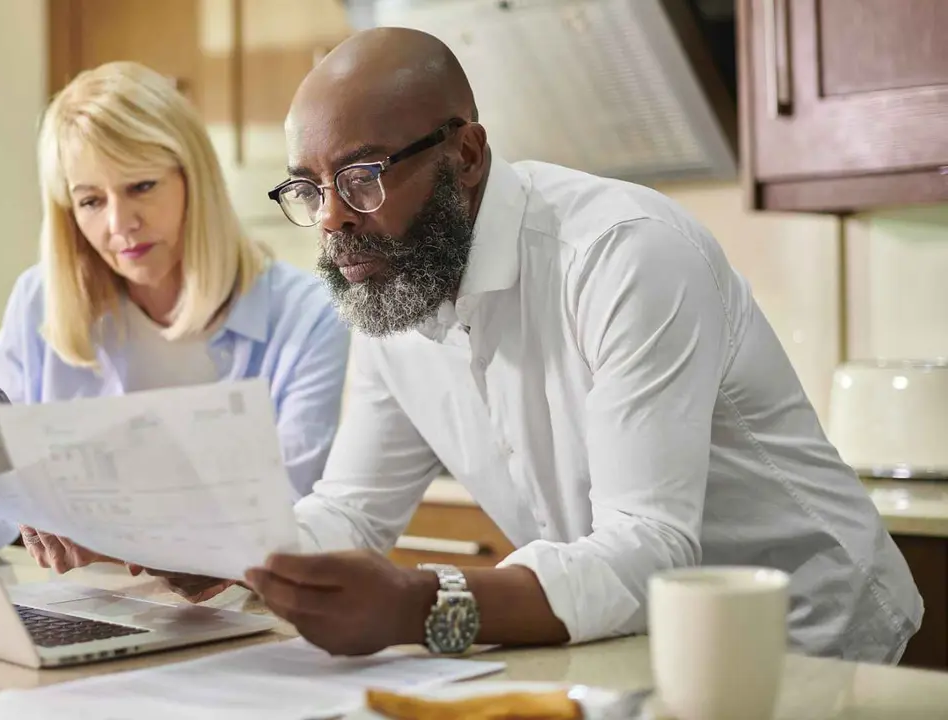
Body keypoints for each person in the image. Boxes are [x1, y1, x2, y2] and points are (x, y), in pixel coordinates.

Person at [232, 27, 923, 663]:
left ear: (466, 155)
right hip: (632, 638)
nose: (329, 218)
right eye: (309, 186)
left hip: (812, 635)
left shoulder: (624, 253)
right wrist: (229, 555)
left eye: (362, 177)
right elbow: (352, 510)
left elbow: (649, 545)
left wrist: (421, 603)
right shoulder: (396, 286)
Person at [0, 61, 350, 590]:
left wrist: (117, 531)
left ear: (194, 178)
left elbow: (295, 519)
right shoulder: (40, 301)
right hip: (85, 612)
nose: (120, 224)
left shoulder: (307, 315)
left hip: (249, 623)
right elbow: (5, 502)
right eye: (91, 201)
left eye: (142, 186)